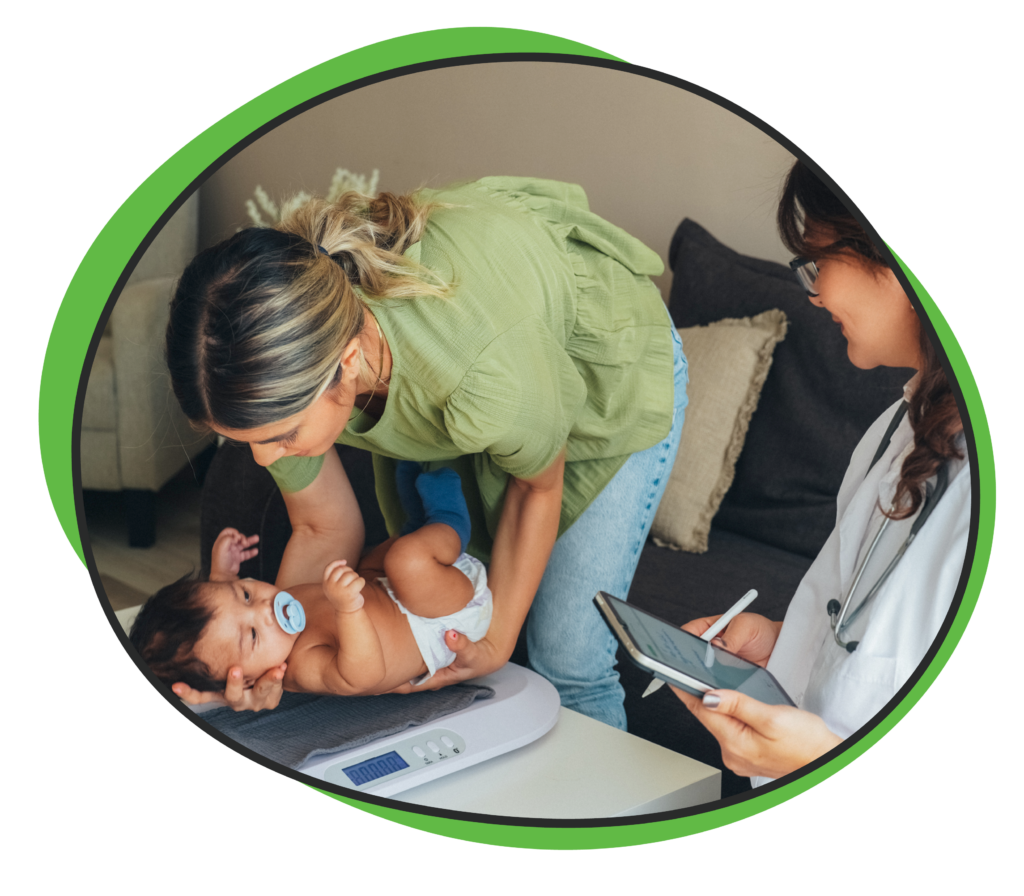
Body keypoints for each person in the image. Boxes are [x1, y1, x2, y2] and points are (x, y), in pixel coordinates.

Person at [164, 176, 688, 728]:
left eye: (283, 438)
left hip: (605, 362)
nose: (269, 460)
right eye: (249, 443)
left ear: (346, 365)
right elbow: (324, 529)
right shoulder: (278, 368)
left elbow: (536, 485)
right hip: (498, 378)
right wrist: (279, 664)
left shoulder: (478, 372)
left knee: (568, 662)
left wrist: (499, 639)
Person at [671, 161, 969, 783]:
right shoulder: (896, 429)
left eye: (817, 260)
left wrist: (817, 761)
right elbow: (873, 645)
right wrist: (782, 643)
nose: (811, 293)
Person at [131, 464, 493, 700]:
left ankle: (417, 528)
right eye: (253, 635)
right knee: (405, 561)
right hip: (445, 620)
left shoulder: (269, 624)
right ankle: (447, 521)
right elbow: (364, 675)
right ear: (243, 683)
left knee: (370, 563)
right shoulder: (301, 666)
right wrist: (349, 610)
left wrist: (222, 574)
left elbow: (227, 617)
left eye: (243, 594)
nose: (263, 609)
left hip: (395, 593)